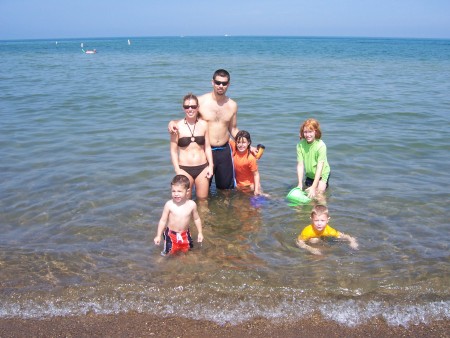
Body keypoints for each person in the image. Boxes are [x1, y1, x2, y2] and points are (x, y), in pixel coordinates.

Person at [169, 69, 242, 190]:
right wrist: (172, 122)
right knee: (203, 190)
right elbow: (189, 119)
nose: (220, 86)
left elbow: (233, 129)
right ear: (212, 82)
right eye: (218, 82)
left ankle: (223, 209)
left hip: (224, 150)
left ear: (228, 84)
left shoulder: (232, 105)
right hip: (205, 151)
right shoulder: (201, 102)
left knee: (226, 190)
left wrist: (247, 143)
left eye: (224, 83)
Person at [170, 93, 213, 200]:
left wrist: (211, 166)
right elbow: (173, 151)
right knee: (184, 202)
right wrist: (177, 170)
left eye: (193, 107)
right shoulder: (177, 127)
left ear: (198, 108)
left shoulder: (204, 124)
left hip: (202, 167)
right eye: (187, 107)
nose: (190, 109)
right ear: (183, 108)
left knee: (203, 201)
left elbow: (207, 147)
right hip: (184, 169)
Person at [154, 175, 204, 256]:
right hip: (171, 234)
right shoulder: (169, 204)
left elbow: (196, 219)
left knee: (187, 251)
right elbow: (163, 221)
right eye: (173, 191)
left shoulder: (192, 205)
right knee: (168, 253)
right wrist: (158, 235)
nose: (176, 194)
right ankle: (161, 262)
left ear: (187, 191)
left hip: (185, 234)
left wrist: (200, 233)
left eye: (179, 191)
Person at [296, 118, 331, 200]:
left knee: (319, 195)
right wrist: (300, 183)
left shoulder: (321, 146)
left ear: (315, 131)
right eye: (305, 132)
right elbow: (300, 165)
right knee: (309, 196)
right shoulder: (300, 145)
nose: (308, 135)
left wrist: (314, 186)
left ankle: (323, 212)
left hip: (322, 173)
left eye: (310, 132)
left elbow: (320, 167)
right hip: (309, 174)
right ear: (302, 132)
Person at [230, 130, 263, 196]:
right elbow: (225, 136)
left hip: (250, 186)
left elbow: (256, 174)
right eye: (238, 142)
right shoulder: (234, 148)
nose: (241, 145)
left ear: (248, 143)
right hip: (238, 186)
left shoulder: (250, 158)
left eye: (244, 142)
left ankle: (277, 200)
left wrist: (256, 189)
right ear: (236, 142)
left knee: (261, 196)